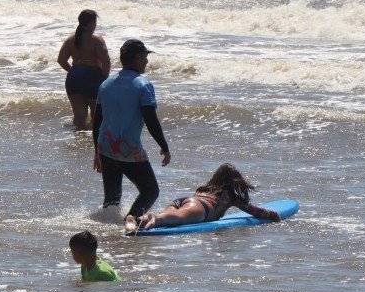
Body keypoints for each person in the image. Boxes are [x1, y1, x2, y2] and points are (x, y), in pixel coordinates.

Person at [92, 39, 170, 220]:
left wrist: (96, 150)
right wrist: (164, 147)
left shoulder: (106, 84)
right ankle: (131, 223)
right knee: (150, 191)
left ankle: (111, 233)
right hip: (128, 150)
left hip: (105, 147)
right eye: (144, 56)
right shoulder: (143, 85)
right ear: (136, 58)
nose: (146, 61)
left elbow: (97, 121)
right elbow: (151, 120)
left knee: (112, 200)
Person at [125, 163, 281, 231]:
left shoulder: (206, 188)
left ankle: (137, 219)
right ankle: (149, 217)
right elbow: (253, 211)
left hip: (183, 200)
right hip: (201, 207)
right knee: (172, 219)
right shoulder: (231, 196)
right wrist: (271, 214)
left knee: (168, 216)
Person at [57, 9, 110, 130]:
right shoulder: (96, 39)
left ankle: (78, 139)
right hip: (92, 77)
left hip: (74, 77)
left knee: (79, 116)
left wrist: (72, 71)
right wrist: (104, 78)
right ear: (91, 22)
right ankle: (90, 143)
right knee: (96, 116)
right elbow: (106, 60)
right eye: (95, 22)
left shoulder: (70, 39)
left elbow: (61, 60)